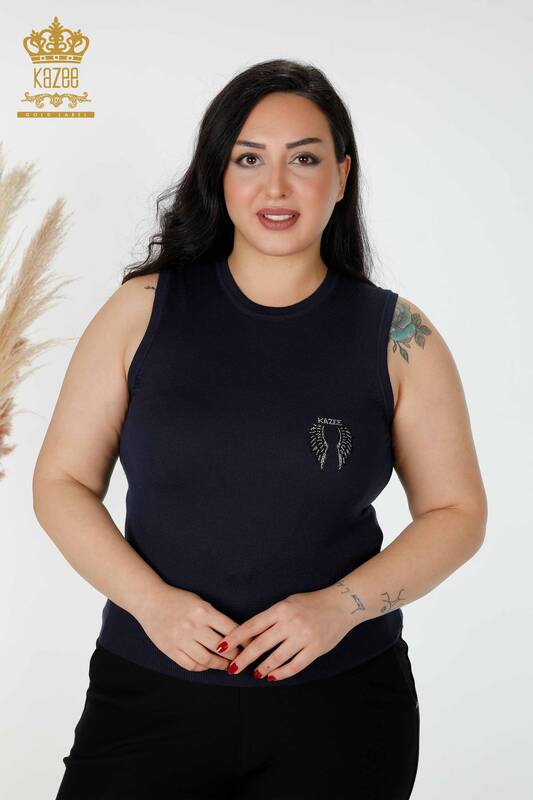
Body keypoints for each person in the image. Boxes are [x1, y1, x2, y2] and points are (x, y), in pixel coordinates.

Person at [33, 58, 487, 800]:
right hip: (146, 696)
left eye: (303, 159)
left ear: (341, 176)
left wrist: (338, 609)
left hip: (341, 711)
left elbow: (457, 513)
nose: (276, 187)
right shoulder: (141, 311)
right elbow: (60, 482)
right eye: (249, 159)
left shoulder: (398, 335)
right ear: (218, 175)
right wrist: (151, 603)